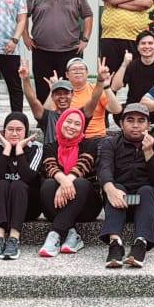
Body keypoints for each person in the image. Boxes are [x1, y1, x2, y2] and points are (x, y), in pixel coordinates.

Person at [98, 103, 154, 268]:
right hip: (120, 201)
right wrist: (110, 189)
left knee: (146, 190)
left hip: (146, 204)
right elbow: (104, 168)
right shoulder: (111, 144)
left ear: (148, 125)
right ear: (121, 124)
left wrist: (149, 152)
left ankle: (140, 243)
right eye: (130, 120)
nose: (136, 125)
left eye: (141, 121)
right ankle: (115, 243)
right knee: (117, 188)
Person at [25, 0, 93, 103]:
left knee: (69, 89)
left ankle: (69, 113)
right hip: (41, 49)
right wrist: (25, 37)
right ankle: (44, 115)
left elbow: (88, 15)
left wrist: (85, 39)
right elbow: (23, 15)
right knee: (43, 88)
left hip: (70, 50)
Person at [38, 108, 102, 257]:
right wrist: (64, 182)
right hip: (57, 205)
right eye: (69, 122)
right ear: (60, 123)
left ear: (82, 128)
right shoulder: (50, 147)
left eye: (77, 124)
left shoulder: (89, 145)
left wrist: (65, 183)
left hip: (87, 206)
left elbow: (82, 166)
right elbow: (50, 167)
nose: (72, 126)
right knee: (48, 184)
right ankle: (72, 235)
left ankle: (55, 234)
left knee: (80, 183)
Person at [0, 113, 43, 260]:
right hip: (2, 206)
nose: (14, 133)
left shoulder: (36, 147)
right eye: (10, 129)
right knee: (1, 184)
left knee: (18, 185)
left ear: (26, 131)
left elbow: (29, 178)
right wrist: (6, 150)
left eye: (19, 129)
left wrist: (18, 150)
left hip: (29, 206)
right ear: (4, 131)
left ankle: (14, 239)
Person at [48, 57, 122, 140]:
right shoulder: (62, 94)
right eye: (74, 69)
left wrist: (106, 87)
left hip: (96, 137)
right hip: (70, 138)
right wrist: (53, 90)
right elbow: (47, 115)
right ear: (67, 74)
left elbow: (116, 110)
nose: (78, 71)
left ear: (87, 73)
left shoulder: (96, 89)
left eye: (81, 68)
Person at [110, 31, 154, 125]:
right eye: (143, 43)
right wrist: (124, 64)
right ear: (138, 47)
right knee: (118, 111)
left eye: (150, 43)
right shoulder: (132, 65)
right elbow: (115, 87)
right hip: (135, 108)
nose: (147, 46)